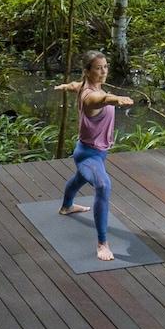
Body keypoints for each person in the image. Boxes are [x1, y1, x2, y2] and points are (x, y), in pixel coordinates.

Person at [54, 52, 135, 261]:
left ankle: (67, 206)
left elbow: (75, 85)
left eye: (105, 67)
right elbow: (103, 99)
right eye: (98, 68)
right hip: (88, 155)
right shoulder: (91, 97)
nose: (103, 71)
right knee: (103, 186)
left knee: (80, 178)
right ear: (87, 71)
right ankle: (102, 243)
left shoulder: (84, 86)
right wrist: (117, 99)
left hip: (96, 152)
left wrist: (64, 87)